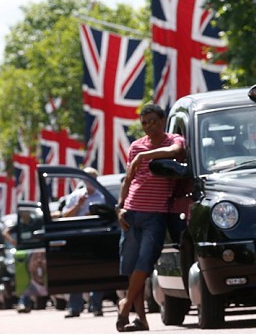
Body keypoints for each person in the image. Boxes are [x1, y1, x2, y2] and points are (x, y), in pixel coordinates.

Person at [115, 104, 185, 332]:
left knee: (145, 264)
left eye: (153, 121)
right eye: (144, 123)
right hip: (131, 213)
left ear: (162, 120)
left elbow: (174, 152)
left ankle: (125, 306)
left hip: (156, 215)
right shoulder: (135, 146)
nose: (148, 126)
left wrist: (145, 156)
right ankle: (141, 320)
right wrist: (119, 207)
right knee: (134, 266)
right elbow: (128, 179)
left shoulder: (173, 139)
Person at [61, 167, 106, 318]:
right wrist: (78, 206)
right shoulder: (75, 196)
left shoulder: (101, 196)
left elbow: (107, 215)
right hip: (78, 238)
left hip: (96, 238)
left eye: (93, 178)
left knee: (98, 272)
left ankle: (96, 305)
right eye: (88, 178)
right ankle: (74, 307)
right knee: (77, 272)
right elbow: (65, 216)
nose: (91, 182)